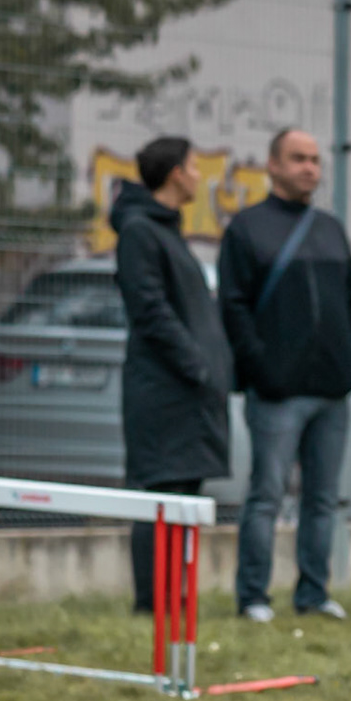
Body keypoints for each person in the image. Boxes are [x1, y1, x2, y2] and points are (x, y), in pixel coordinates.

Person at [219, 128, 351, 624]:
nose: (310, 168)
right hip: (276, 393)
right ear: (273, 165)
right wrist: (262, 368)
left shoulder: (329, 228)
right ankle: (253, 597)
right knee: (267, 494)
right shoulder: (247, 229)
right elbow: (233, 308)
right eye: (299, 158)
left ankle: (313, 594)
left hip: (332, 391)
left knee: (322, 499)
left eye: (315, 160)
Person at [112, 136, 233, 613]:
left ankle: (176, 601)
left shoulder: (166, 229)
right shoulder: (140, 231)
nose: (200, 176)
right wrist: (196, 364)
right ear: (176, 174)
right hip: (164, 392)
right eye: (194, 167)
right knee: (160, 496)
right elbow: (150, 311)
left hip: (188, 392)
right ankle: (152, 605)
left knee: (183, 494)